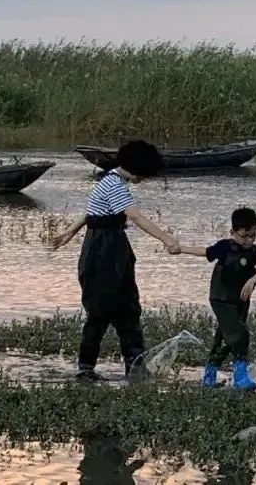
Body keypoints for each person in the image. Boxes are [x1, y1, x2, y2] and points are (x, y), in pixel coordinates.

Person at [52, 139, 180, 382]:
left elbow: (91, 212)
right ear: (139, 167)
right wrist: (166, 238)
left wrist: (70, 231)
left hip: (116, 249)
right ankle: (86, 368)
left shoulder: (110, 179)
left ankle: (135, 366)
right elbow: (135, 216)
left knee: (128, 308)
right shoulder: (115, 185)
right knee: (100, 309)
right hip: (102, 252)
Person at [174, 206, 256, 391]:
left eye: (253, 235)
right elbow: (204, 252)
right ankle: (240, 377)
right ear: (233, 232)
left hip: (241, 301)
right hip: (221, 299)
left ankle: (209, 376)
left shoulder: (255, 251)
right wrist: (180, 248)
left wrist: (252, 280)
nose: (249, 240)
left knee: (225, 337)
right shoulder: (225, 247)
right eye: (244, 235)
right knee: (240, 334)